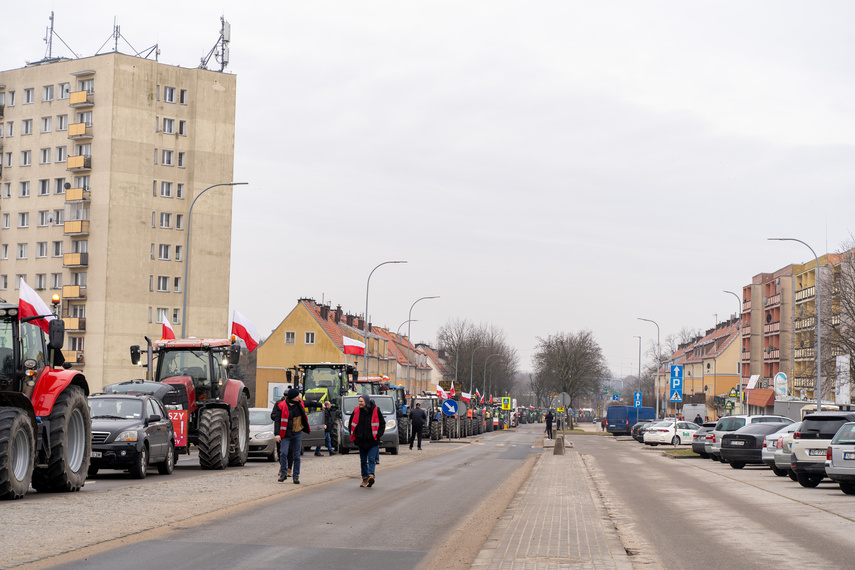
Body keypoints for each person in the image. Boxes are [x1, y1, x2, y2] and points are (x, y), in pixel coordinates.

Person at [273, 388, 310, 484]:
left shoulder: (300, 403)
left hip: (297, 433)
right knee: (283, 453)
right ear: (293, 397)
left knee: (297, 456)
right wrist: (277, 434)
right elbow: (277, 421)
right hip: (286, 434)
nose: (299, 397)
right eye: (297, 396)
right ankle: (283, 474)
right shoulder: (281, 405)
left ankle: (296, 476)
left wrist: (321, 405)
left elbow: (309, 403)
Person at [348, 394, 385, 488]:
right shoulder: (356, 410)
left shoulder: (376, 410)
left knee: (371, 459)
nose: (359, 403)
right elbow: (351, 423)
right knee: (363, 461)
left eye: (361, 401)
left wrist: (378, 435)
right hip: (361, 441)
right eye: (359, 401)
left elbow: (382, 424)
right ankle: (365, 479)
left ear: (366, 402)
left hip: (372, 440)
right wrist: (354, 436)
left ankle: (371, 476)